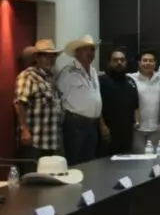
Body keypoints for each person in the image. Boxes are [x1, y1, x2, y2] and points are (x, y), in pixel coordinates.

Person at [14, 39, 63, 172]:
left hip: (50, 141)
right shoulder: (28, 76)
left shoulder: (50, 78)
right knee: (31, 178)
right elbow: (20, 103)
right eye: (46, 56)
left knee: (48, 179)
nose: (50, 59)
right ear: (37, 58)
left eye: (53, 56)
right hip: (34, 141)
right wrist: (24, 130)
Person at [58, 35, 104, 165]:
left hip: (92, 124)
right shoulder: (68, 72)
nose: (90, 53)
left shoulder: (93, 71)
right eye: (85, 49)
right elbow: (59, 96)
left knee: (90, 162)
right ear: (76, 52)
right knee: (75, 161)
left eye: (92, 49)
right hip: (76, 124)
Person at [99, 48, 139, 155]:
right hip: (108, 132)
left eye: (122, 60)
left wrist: (136, 122)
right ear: (109, 62)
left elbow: (135, 104)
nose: (119, 62)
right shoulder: (101, 81)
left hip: (127, 133)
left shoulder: (131, 82)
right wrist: (102, 126)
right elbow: (96, 107)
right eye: (115, 60)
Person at [128, 50, 160, 152]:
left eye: (151, 61)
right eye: (145, 60)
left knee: (155, 157)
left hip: (156, 128)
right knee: (138, 158)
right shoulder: (130, 79)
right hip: (137, 129)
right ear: (139, 63)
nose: (148, 63)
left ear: (155, 63)